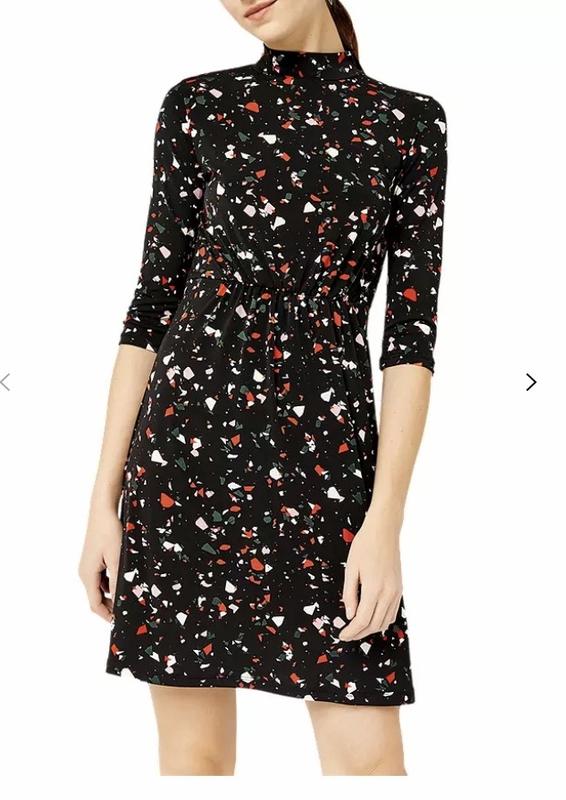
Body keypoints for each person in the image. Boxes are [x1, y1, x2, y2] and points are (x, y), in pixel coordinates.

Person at [78, 0, 448, 777]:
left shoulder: (409, 122)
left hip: (326, 469)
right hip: (184, 461)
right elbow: (150, 310)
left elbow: (410, 343)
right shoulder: (198, 105)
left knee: (368, 766)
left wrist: (383, 521)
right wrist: (101, 505)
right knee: (195, 759)